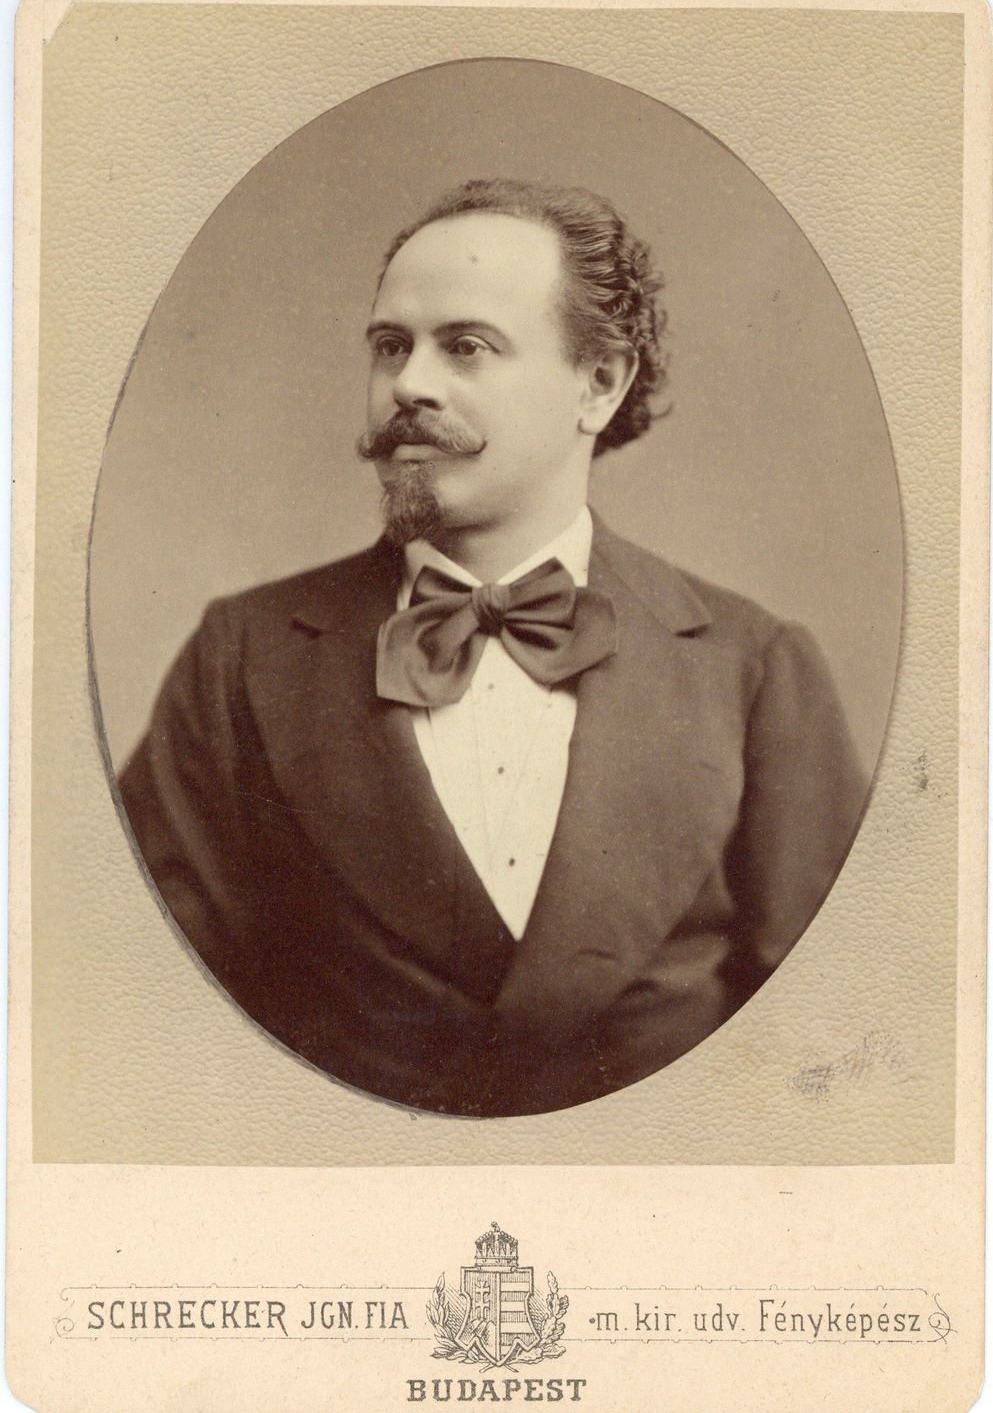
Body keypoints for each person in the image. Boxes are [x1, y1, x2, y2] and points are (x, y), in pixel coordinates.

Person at [119, 179, 868, 1117]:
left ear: (600, 384)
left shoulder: (750, 668)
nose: (409, 385)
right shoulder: (243, 657)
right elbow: (145, 1010)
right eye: (390, 346)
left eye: (466, 346)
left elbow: (830, 1047)